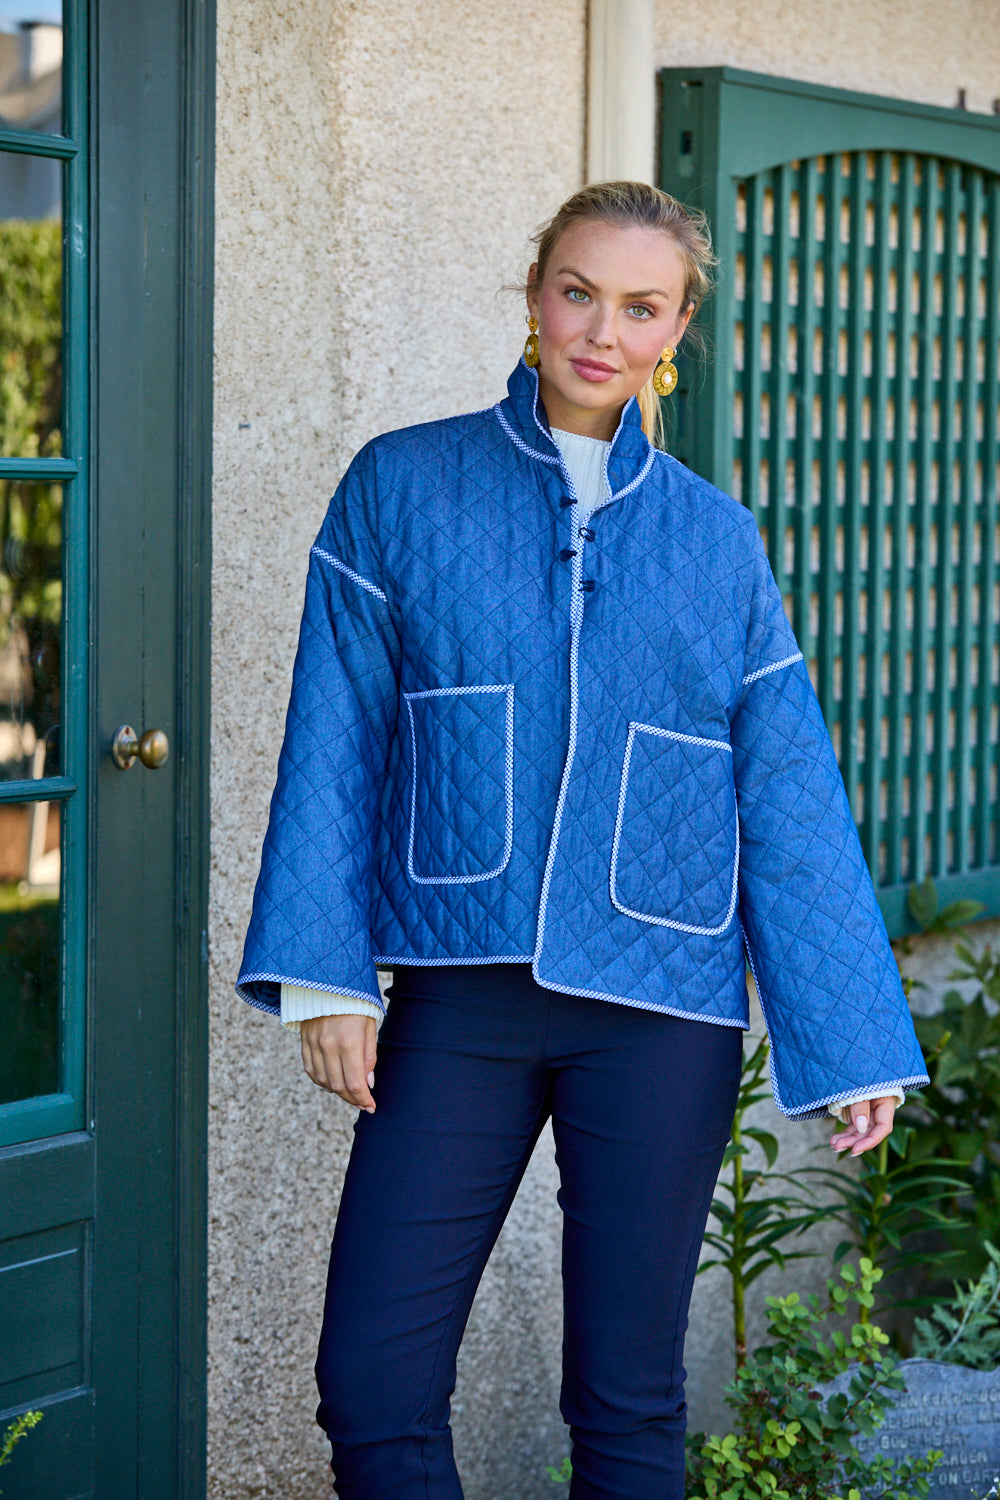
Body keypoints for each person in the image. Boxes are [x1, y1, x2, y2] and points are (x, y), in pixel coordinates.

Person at [237, 181, 928, 1500]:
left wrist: (848, 1036)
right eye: (577, 291)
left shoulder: (718, 543)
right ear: (535, 295)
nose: (601, 330)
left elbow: (786, 794)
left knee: (627, 1401)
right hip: (462, 998)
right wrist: (327, 978)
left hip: (662, 1011)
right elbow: (337, 736)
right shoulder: (402, 488)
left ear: (677, 332)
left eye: (641, 306)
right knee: (372, 1383)